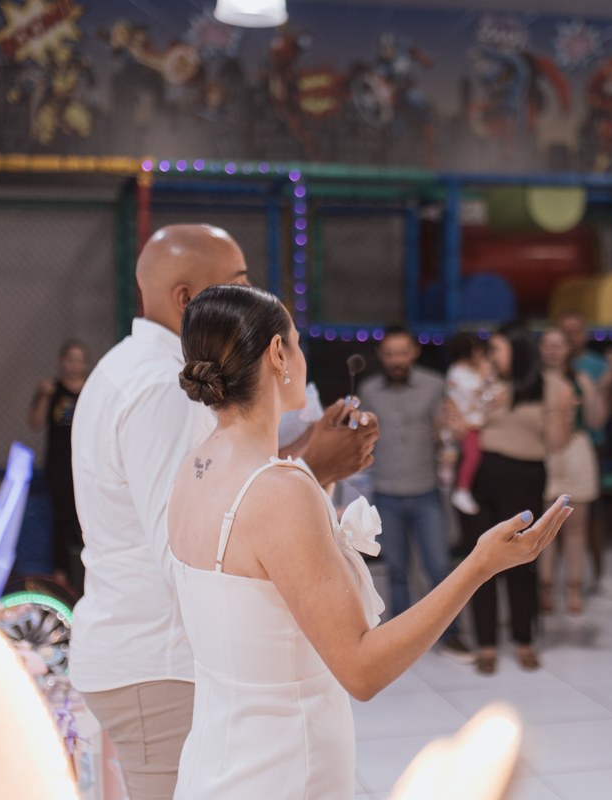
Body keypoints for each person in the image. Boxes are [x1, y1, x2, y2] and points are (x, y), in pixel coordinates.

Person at [165, 285, 572, 799]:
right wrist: (480, 565)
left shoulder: (194, 467)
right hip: (283, 766)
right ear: (276, 355)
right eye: (295, 341)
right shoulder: (281, 492)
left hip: (215, 760)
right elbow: (361, 669)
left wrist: (323, 469)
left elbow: (259, 595)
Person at [69, 224, 379, 800]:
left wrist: (307, 465)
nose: (251, 294)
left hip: (149, 655)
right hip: (158, 659)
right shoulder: (160, 387)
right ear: (189, 301)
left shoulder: (133, 364)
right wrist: (308, 468)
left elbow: (220, 501)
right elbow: (189, 549)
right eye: (239, 282)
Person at [450, 324, 576, 674]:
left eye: (498, 350)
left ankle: (524, 640)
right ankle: (486, 644)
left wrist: (561, 411)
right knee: (480, 562)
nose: (492, 357)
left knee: (522, 561)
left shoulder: (551, 386)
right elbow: (466, 425)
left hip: (525, 478)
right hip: (481, 477)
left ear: (519, 351)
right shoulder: (486, 385)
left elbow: (557, 442)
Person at [360, 326, 474, 662]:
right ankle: (400, 642)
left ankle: (450, 634)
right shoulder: (369, 390)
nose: (396, 360)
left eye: (402, 352)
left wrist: (450, 434)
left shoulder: (435, 385)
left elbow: (447, 436)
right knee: (395, 570)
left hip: (426, 492)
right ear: (381, 356)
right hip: (386, 493)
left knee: (439, 567)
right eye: (390, 354)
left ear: (414, 353)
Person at [537, 327, 607, 615]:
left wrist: (590, 391)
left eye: (559, 345)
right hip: (544, 452)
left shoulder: (579, 380)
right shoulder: (533, 381)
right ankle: (546, 588)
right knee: (543, 529)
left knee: (576, 527)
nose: (553, 351)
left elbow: (597, 419)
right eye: (547, 344)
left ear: (569, 349)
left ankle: (574, 589)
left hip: (576, 454)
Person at [557, 311, 612, 599]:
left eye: (577, 331)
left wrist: (608, 382)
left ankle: (599, 574)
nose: (572, 338)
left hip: (589, 446)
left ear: (585, 333)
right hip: (556, 447)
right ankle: (554, 578)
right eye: (566, 332)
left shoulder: (598, 366)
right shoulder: (552, 366)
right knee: (554, 514)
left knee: (593, 514)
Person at [27, 339, 89, 594]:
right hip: (59, 464)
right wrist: (43, 395)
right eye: (70, 359)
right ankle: (61, 573)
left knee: (85, 518)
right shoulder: (52, 390)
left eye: (79, 359)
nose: (74, 365)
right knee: (61, 519)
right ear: (63, 361)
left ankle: (87, 569)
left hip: (85, 463)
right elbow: (34, 422)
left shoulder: (92, 390)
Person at [444, 332, 494, 517]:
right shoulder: (458, 372)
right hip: (466, 425)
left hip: (479, 423)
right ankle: (462, 490)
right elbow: (476, 394)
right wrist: (483, 373)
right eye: (480, 352)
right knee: (472, 455)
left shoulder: (472, 371)